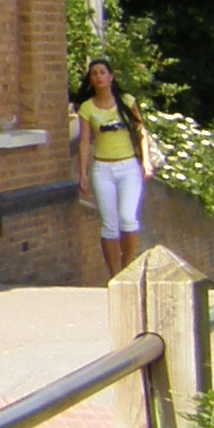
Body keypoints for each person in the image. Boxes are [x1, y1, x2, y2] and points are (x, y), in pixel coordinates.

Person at [73, 56, 150, 277]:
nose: (98, 77)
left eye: (102, 72)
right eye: (94, 73)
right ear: (91, 79)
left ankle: (128, 264)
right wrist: (83, 173)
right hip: (103, 169)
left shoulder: (125, 100)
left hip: (128, 167)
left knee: (127, 217)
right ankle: (114, 274)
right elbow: (85, 141)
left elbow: (140, 130)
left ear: (111, 77)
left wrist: (146, 161)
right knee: (109, 223)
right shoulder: (87, 108)